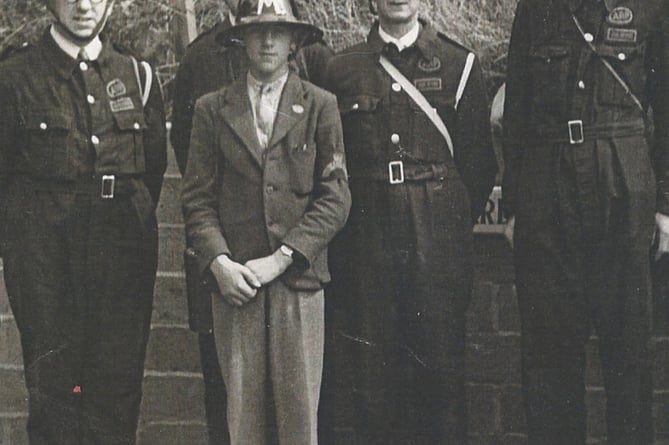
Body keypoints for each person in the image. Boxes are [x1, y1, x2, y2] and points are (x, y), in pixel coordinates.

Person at [324, 0, 497, 442]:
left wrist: (441, 220)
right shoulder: (340, 70)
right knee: (373, 387)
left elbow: (477, 168)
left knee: (441, 380)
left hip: (436, 249)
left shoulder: (460, 65)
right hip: (366, 249)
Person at [180, 0, 351, 443]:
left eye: (278, 31)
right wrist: (218, 263)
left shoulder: (319, 106)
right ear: (241, 39)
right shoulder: (211, 109)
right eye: (258, 31)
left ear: (295, 40)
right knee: (242, 421)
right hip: (236, 285)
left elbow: (335, 196)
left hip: (298, 281)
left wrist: (283, 257)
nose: (268, 41)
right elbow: (197, 200)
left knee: (299, 421)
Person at [0, 0, 167, 443]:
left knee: (117, 385)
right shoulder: (14, 78)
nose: (84, 5)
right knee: (55, 387)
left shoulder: (138, 76)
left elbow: (152, 171)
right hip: (44, 257)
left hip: (122, 252)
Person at [503, 0, 669, 443]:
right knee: (548, 354)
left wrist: (666, 206)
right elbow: (517, 105)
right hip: (546, 187)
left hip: (623, 187)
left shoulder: (651, 8)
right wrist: (516, 207)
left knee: (629, 351)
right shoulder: (536, 10)